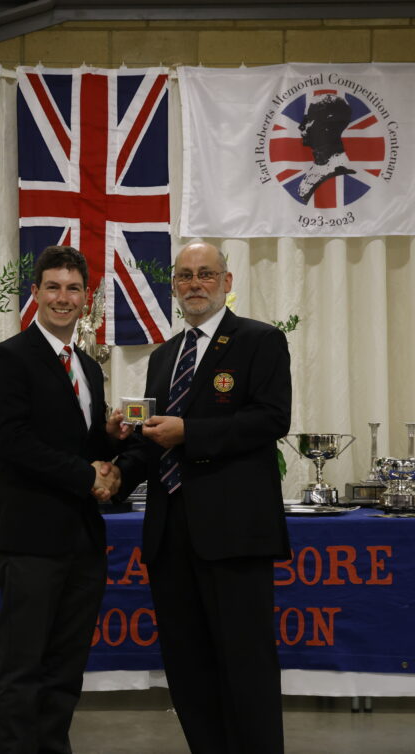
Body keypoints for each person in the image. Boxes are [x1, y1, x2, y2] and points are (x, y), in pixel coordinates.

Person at [112, 240, 292, 754]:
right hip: (171, 537)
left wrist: (191, 432)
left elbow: (271, 419)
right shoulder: (165, 356)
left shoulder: (259, 341)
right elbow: (153, 443)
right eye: (186, 276)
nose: (195, 284)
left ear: (227, 283)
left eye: (206, 274)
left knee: (246, 666)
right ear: (175, 285)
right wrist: (116, 470)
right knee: (188, 669)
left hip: (234, 535)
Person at [0, 245, 121, 753]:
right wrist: (87, 476)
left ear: (86, 299)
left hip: (82, 540)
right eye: (54, 287)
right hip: (31, 538)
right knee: (23, 669)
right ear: (35, 292)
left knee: (66, 668)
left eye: (74, 288)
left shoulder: (87, 366)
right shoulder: (8, 358)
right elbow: (13, 442)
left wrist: (110, 441)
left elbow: (82, 448)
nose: (64, 298)